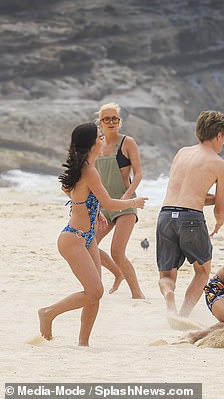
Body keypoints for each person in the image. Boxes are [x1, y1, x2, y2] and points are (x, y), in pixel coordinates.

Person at [38, 122, 147, 346]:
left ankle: (83, 343)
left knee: (95, 293)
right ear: (92, 143)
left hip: (86, 238)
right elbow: (108, 201)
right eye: (100, 136)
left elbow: (70, 190)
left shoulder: (85, 167)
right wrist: (133, 201)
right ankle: (48, 313)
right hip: (74, 238)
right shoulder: (89, 170)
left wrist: (93, 210)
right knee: (95, 291)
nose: (103, 139)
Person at [156, 110, 224, 325]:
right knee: (202, 271)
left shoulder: (182, 153)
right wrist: (219, 222)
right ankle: (183, 316)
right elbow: (219, 208)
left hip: (165, 216)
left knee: (166, 276)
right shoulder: (220, 164)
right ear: (218, 134)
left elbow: (189, 193)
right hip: (191, 219)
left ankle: (169, 298)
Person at [94, 103, 145, 298]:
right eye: (107, 119)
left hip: (125, 204)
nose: (111, 122)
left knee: (117, 251)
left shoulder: (127, 142)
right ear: (100, 122)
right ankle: (117, 273)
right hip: (104, 204)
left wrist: (127, 196)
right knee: (89, 244)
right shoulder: (97, 143)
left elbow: (138, 173)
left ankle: (137, 294)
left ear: (119, 121)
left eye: (115, 118)